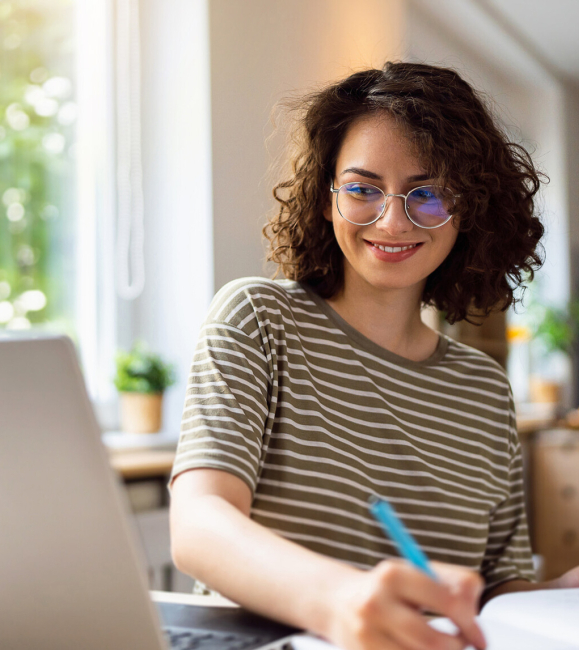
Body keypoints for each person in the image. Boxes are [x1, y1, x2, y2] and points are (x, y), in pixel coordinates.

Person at [168, 62, 577, 650]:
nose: (391, 220)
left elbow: (492, 596)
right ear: (327, 198)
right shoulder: (259, 319)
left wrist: (562, 589)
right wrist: (341, 602)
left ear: (469, 209)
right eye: (362, 188)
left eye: (428, 194)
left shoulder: (485, 391)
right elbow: (199, 528)